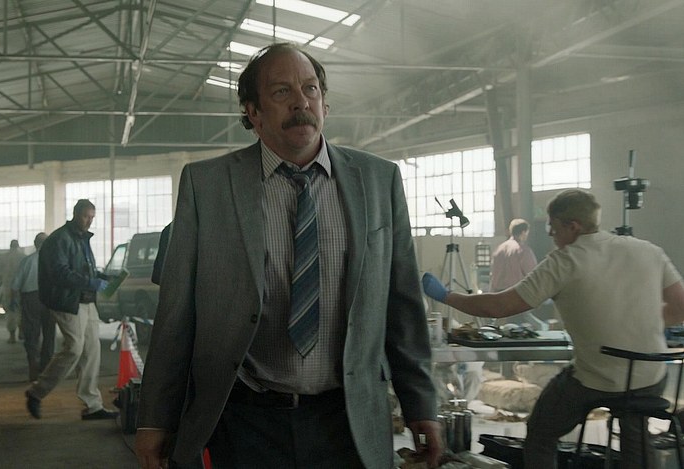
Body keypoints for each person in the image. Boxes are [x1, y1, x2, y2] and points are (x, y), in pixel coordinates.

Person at [135, 42, 441, 469]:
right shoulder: (207, 186)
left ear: (325, 104)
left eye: (310, 89)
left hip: (349, 421)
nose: (301, 102)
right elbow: (176, 314)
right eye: (281, 92)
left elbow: (402, 303)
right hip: (246, 422)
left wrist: (421, 403)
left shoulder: (378, 180)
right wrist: (155, 418)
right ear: (253, 113)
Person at [422, 189, 684, 469]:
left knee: (540, 434)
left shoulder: (565, 261)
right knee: (636, 436)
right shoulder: (648, 250)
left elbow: (497, 307)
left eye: (553, 227)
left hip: (596, 379)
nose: (550, 234)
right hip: (649, 377)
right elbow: (681, 307)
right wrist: (638, 323)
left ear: (573, 226)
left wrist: (447, 296)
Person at [24, 199, 117, 421]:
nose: (89, 221)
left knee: (91, 350)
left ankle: (93, 405)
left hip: (85, 300)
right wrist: (91, 282)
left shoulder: (82, 239)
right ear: (75, 214)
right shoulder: (59, 239)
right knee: (74, 348)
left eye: (92, 217)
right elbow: (59, 273)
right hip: (66, 301)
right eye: (86, 216)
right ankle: (36, 392)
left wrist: (100, 277)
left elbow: (82, 269)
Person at [11, 232, 56, 383]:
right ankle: (46, 369)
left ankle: (33, 369)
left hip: (30, 300)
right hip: (50, 299)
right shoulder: (54, 260)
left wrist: (14, 301)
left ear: (35, 244)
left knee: (31, 334)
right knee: (49, 334)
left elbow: (15, 285)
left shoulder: (27, 261)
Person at [490, 218, 537, 293]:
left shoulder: (498, 249)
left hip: (498, 293)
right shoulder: (523, 250)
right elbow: (532, 275)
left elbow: (493, 274)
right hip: (515, 293)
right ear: (523, 232)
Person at [0, 239, 26, 343]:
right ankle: (21, 331)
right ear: (18, 246)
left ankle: (12, 336)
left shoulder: (3, 257)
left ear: (10, 246)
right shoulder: (24, 257)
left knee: (10, 311)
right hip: (22, 288)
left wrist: (4, 279)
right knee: (22, 310)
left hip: (8, 288)